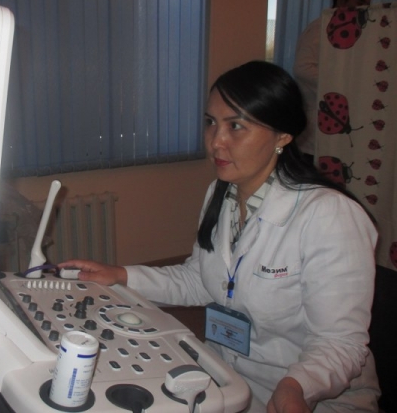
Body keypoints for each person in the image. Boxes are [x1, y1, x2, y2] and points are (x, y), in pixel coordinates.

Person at [59, 61, 380, 413]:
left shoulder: (329, 216)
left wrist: (296, 386)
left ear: (283, 135)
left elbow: (340, 343)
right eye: (211, 122)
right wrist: (120, 275)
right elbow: (200, 280)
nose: (216, 141)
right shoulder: (221, 192)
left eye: (236, 126)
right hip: (231, 377)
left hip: (308, 396)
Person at [293, 0, 376, 161]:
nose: (364, 9)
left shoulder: (354, 32)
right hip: (318, 119)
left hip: (339, 118)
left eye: (367, 4)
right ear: (341, 1)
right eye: (360, 2)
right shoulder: (320, 28)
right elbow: (302, 68)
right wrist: (341, 86)